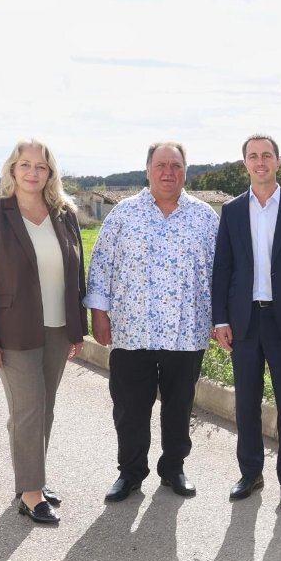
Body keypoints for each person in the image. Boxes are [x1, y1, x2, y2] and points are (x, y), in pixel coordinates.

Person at [85, 142, 219, 503]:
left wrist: (220, 320)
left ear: (185, 172)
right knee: (130, 409)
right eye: (161, 165)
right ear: (147, 170)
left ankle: (173, 467)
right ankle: (130, 473)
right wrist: (99, 313)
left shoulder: (205, 217)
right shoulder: (124, 215)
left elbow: (221, 274)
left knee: (179, 408)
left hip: (185, 333)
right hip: (132, 332)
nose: (168, 172)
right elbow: (101, 265)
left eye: (176, 165)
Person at [0, 140, 87, 524]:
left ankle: (30, 479)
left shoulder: (63, 214)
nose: (33, 172)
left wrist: (76, 330)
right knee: (29, 408)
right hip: (12, 330)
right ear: (12, 169)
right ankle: (31, 494)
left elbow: (75, 275)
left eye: (41, 166)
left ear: (50, 173)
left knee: (43, 408)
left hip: (57, 327)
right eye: (25, 165)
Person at [212, 134, 281, 509]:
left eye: (267, 156)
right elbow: (222, 269)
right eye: (253, 156)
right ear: (245, 163)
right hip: (244, 322)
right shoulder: (231, 211)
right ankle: (250, 473)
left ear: (278, 162)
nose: (260, 162)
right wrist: (220, 318)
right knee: (246, 404)